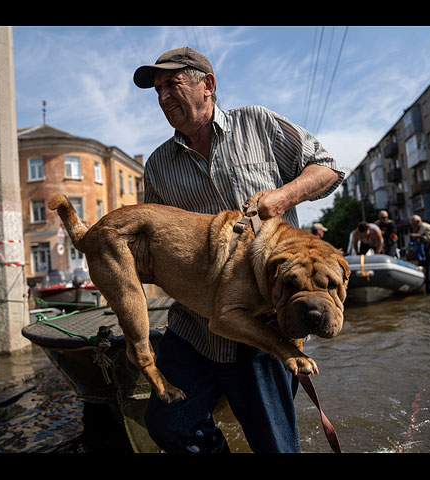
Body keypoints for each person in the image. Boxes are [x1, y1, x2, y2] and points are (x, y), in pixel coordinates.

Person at [131, 46, 344, 453]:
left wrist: (284, 196)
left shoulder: (257, 123)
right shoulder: (158, 164)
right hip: (193, 325)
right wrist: (132, 264)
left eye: (171, 84)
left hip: (264, 326)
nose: (162, 98)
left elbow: (329, 167)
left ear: (207, 85)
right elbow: (153, 246)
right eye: (157, 90)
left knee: (274, 446)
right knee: (168, 423)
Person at [409, 214, 430, 294]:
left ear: (418, 222)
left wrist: (419, 236)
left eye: (413, 225)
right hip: (426, 255)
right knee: (428, 277)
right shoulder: (419, 229)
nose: (412, 227)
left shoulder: (427, 227)